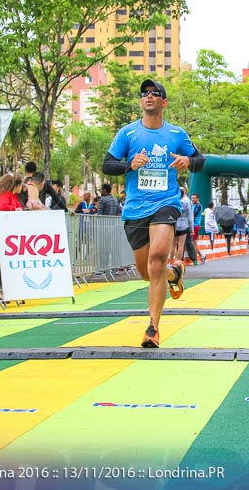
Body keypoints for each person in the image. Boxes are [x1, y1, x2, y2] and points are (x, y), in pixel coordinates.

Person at [101, 79, 205, 349]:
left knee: (157, 259)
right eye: (144, 93)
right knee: (149, 272)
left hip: (165, 203)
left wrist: (188, 161)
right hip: (135, 208)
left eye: (154, 93)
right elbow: (107, 165)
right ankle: (175, 275)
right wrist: (129, 165)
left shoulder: (176, 134)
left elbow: (201, 161)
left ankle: (152, 328)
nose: (148, 96)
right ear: (141, 102)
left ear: (164, 102)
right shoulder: (128, 134)